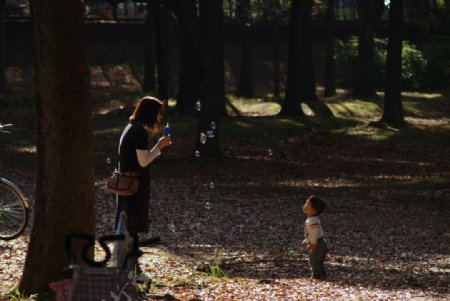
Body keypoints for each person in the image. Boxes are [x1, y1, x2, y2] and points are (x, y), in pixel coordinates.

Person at [114, 96, 171, 272]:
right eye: (159, 114)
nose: (159, 119)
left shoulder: (130, 127)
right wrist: (160, 146)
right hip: (133, 186)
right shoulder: (139, 132)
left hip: (126, 184)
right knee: (131, 224)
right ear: (151, 113)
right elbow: (143, 161)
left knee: (128, 224)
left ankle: (129, 266)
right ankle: (130, 268)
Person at [301, 195, 328, 280]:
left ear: (313, 210)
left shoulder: (313, 220)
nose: (305, 205)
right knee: (318, 261)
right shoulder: (311, 219)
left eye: (307, 204)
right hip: (319, 243)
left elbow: (315, 233)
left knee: (314, 261)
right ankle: (322, 275)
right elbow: (311, 233)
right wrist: (307, 240)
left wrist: (313, 244)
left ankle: (316, 276)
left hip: (318, 244)